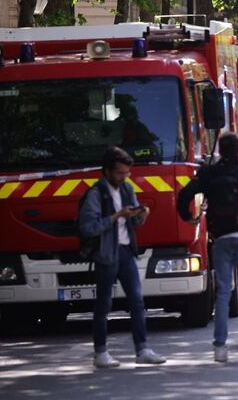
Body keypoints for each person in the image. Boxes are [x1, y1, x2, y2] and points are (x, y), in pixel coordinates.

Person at [177, 132, 238, 363]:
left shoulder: (210, 173)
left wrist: (189, 217)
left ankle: (220, 347)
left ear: (220, 148)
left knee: (222, 294)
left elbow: (185, 194)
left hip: (220, 239)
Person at [78, 146, 167, 368]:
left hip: (126, 251)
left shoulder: (127, 189)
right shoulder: (95, 194)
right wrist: (116, 215)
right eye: (120, 172)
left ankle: (142, 349)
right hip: (107, 254)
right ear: (107, 171)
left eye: (127, 173)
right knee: (104, 304)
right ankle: (100, 353)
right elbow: (88, 227)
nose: (124, 177)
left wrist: (141, 215)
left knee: (137, 300)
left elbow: (133, 222)